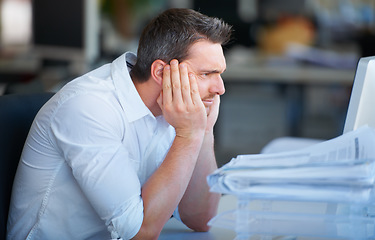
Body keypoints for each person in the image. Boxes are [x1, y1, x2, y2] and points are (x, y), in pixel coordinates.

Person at [7, 8, 232, 240]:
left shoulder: (177, 109)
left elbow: (201, 219)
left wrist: (203, 132)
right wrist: (188, 135)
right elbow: (140, 233)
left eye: (219, 74)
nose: (220, 88)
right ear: (162, 72)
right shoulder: (89, 107)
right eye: (207, 74)